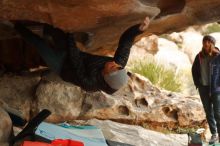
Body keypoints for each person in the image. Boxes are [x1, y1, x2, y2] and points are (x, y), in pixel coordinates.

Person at [14, 17, 150, 94]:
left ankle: (16, 25)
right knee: (54, 31)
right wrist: (138, 30)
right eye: (117, 66)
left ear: (107, 75)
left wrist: (71, 37)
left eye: (113, 68)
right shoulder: (119, 63)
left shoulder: (90, 84)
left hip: (63, 67)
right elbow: (125, 43)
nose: (114, 63)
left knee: (40, 45)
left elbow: (76, 61)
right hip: (74, 55)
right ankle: (33, 23)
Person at [192, 35, 220, 144]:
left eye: (209, 42)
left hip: (216, 88)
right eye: (205, 42)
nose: (206, 44)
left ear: (213, 44)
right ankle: (214, 134)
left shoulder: (218, 56)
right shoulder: (199, 56)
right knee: (208, 111)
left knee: (218, 112)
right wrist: (197, 83)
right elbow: (194, 70)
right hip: (203, 88)